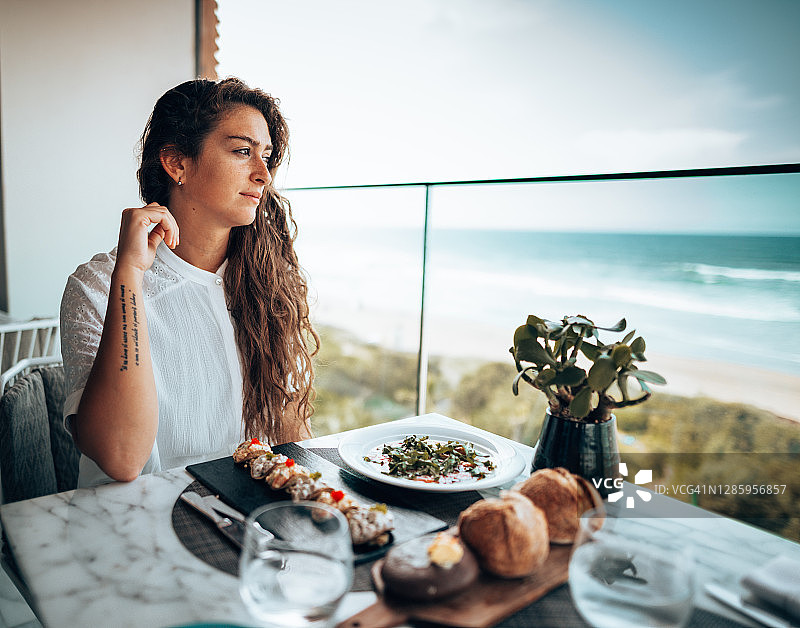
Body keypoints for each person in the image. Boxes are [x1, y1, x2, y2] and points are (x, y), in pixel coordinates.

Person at [60, 77, 319, 488]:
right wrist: (128, 275)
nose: (263, 175)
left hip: (244, 525)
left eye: (266, 156)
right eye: (242, 151)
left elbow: (289, 431)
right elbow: (122, 458)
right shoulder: (98, 286)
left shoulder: (267, 285)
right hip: (131, 532)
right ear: (177, 162)